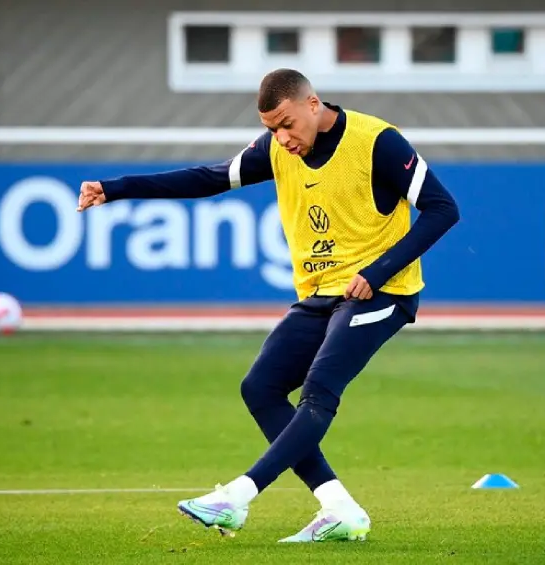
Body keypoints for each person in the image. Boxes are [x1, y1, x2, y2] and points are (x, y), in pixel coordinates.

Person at [76, 68, 460, 543]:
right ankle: (339, 508)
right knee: (260, 388)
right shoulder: (277, 148)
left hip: (382, 293)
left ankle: (236, 497)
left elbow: (443, 208)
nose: (281, 138)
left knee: (318, 390)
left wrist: (376, 272)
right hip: (320, 295)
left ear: (313, 104)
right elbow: (209, 178)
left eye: (286, 124)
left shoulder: (377, 141)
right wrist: (115, 189)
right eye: (271, 129)